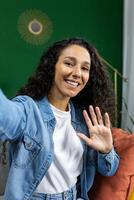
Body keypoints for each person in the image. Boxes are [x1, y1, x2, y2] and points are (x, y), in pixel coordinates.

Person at [0, 37, 119, 200]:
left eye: (85, 68)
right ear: (52, 66)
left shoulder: (85, 119)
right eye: (69, 63)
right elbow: (6, 117)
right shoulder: (28, 110)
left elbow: (109, 169)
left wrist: (106, 150)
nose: (77, 73)